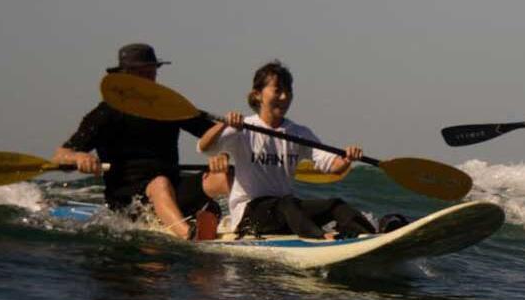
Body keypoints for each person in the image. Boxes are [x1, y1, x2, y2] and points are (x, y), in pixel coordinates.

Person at [54, 43, 222, 240]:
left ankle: (254, 224)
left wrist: (228, 136)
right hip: (129, 199)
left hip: (173, 191)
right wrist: (79, 157)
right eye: (140, 75)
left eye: (151, 74)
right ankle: (188, 236)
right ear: (124, 78)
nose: (147, 82)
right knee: (159, 183)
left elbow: (213, 134)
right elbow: (61, 156)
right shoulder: (106, 113)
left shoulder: (169, 107)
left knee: (222, 176)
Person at [199, 61, 375, 239]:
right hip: (249, 214)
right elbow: (204, 148)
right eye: (278, 90)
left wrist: (347, 159)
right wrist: (223, 124)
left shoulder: (298, 133)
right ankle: (320, 238)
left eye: (288, 91)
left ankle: (370, 235)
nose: (284, 97)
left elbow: (333, 167)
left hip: (286, 211)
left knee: (334, 205)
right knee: (287, 203)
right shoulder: (243, 128)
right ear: (258, 95)